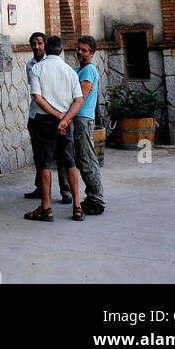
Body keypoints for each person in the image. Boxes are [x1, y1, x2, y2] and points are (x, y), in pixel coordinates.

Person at [25, 35, 84, 221]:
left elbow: (38, 98)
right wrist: (65, 120)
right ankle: (77, 206)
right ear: (61, 50)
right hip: (65, 123)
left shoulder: (37, 69)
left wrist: (58, 117)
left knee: (44, 164)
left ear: (46, 49)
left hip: (44, 122)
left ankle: (46, 208)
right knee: (69, 162)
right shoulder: (70, 71)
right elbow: (79, 99)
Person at [74, 35, 106, 215]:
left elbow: (80, 97)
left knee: (87, 160)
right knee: (83, 159)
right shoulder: (80, 69)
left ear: (91, 53)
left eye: (84, 50)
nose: (80, 52)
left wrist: (67, 117)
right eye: (79, 49)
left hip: (82, 119)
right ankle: (92, 196)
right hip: (80, 118)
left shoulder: (88, 71)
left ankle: (96, 199)